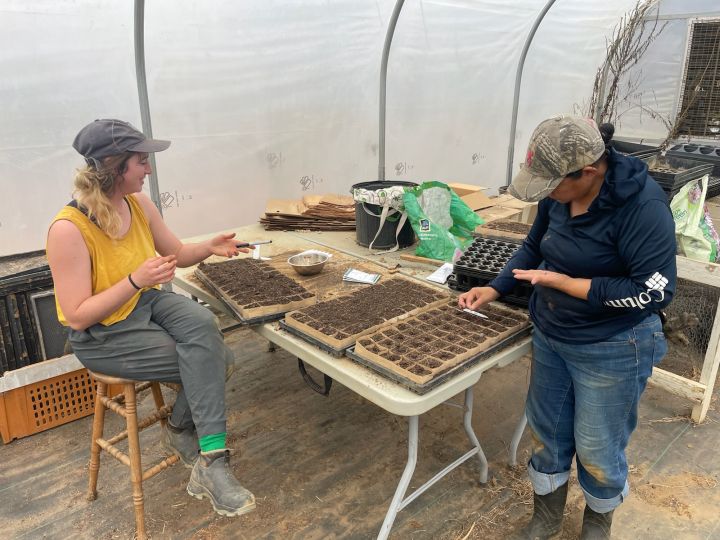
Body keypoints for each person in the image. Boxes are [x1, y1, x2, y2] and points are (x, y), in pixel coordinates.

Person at [458, 116, 676, 539]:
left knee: (597, 446)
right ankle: (546, 517)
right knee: (547, 433)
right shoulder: (557, 196)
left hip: (613, 344)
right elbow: (533, 246)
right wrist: (496, 287)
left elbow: (654, 292)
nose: (547, 193)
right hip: (554, 335)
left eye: (552, 183)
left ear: (589, 172)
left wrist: (565, 283)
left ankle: (598, 519)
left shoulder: (643, 208)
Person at [46, 118, 256, 518]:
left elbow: (176, 252)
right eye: (141, 161)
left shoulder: (139, 204)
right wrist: (133, 280)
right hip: (102, 333)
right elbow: (75, 316)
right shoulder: (68, 230)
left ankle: (185, 436)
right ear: (113, 167)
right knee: (217, 359)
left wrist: (209, 246)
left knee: (202, 326)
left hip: (145, 303)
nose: (149, 169)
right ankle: (209, 458)